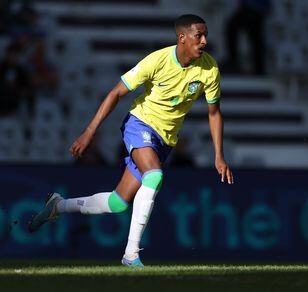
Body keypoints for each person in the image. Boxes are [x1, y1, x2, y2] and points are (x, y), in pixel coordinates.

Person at [28, 14, 234, 267]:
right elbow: (116, 92)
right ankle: (131, 255)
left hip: (165, 140)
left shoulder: (210, 68)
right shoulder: (156, 61)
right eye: (198, 35)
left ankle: (58, 206)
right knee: (155, 176)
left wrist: (218, 154)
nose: (204, 41)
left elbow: (214, 112)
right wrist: (90, 131)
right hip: (140, 125)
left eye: (206, 36)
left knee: (117, 203)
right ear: (182, 37)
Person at [223, 0, 270, 75]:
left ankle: (258, 68)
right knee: (254, 37)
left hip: (255, 8)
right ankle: (258, 68)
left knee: (255, 37)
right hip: (252, 7)